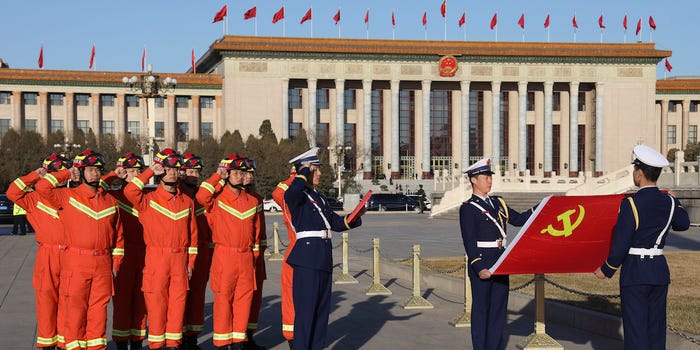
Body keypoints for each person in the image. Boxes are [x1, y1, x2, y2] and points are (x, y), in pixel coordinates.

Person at [594, 145, 690, 350]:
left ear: (639, 173)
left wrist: (607, 269)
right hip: (659, 271)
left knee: (636, 331)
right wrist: (675, 200)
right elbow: (683, 224)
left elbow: (621, 243)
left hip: (635, 273)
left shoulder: (631, 204)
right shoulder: (669, 202)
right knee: (656, 329)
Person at [36, 149, 124, 350]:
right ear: (81, 172)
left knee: (99, 312)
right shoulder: (67, 196)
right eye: (90, 169)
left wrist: (116, 264)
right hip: (76, 262)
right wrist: (67, 173)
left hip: (103, 264)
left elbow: (119, 238)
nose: (95, 173)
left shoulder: (110, 201)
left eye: (98, 170)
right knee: (75, 309)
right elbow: (42, 187)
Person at [284, 147, 365, 350]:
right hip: (307, 260)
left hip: (322, 258)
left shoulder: (318, 197)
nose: (319, 173)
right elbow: (292, 193)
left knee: (320, 315)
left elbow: (336, 224)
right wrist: (303, 171)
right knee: (305, 316)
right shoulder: (297, 194)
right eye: (316, 169)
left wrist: (355, 217)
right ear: (305, 171)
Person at [124, 148, 198, 350]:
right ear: (159, 171)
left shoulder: (187, 202)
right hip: (157, 258)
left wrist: (190, 263)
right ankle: (156, 346)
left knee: (177, 306)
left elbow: (193, 237)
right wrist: (149, 172)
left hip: (180, 260)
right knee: (156, 307)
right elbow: (129, 191)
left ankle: (174, 345)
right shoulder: (148, 200)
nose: (173, 172)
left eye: (176, 169)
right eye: (167, 168)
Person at [458, 158, 535, 350]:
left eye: (490, 177)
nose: (489, 181)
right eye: (485, 177)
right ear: (474, 180)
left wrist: (540, 208)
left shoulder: (498, 202)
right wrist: (478, 266)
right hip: (483, 263)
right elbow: (469, 240)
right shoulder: (468, 208)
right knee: (481, 311)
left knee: (499, 312)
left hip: (501, 262)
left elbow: (518, 220)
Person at [7, 152, 73, 350]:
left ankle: (65, 341)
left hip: (72, 254)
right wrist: (35, 175)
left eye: (62, 173)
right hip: (48, 255)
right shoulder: (33, 199)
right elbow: (12, 192)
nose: (59, 177)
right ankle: (47, 342)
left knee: (69, 300)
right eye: (55, 173)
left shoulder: (73, 196)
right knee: (46, 300)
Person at [196, 154, 259, 350]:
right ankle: (223, 344)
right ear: (228, 175)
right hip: (225, 255)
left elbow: (255, 233)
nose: (240, 177)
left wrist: (254, 257)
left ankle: (239, 342)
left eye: (243, 173)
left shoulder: (252, 201)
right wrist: (218, 175)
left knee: (244, 300)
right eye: (236, 173)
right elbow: (201, 196)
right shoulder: (217, 199)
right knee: (224, 300)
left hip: (246, 257)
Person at [102, 152, 149, 350]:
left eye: (139, 171)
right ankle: (121, 342)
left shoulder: (149, 197)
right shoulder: (112, 196)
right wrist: (114, 174)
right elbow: (96, 186)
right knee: (122, 301)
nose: (136, 175)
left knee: (142, 300)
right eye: (131, 171)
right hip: (123, 253)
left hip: (146, 254)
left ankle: (137, 341)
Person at [180, 152, 212, 350]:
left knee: (197, 298)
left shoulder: (201, 194)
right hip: (181, 252)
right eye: (190, 171)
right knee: (180, 298)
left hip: (201, 253)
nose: (194, 175)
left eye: (196, 172)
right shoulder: (178, 195)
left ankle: (192, 340)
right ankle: (180, 339)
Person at [240, 156, 268, 350]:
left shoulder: (256, 198)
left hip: (256, 256)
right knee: (240, 299)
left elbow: (261, 229)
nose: (248, 176)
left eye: (251, 173)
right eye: (245, 173)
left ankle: (249, 336)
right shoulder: (227, 196)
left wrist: (261, 251)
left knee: (255, 298)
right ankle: (238, 338)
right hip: (240, 256)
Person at [272, 166, 298, 350]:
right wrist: (294, 177)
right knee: (291, 298)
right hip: (296, 251)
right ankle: (292, 338)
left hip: (314, 254)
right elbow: (277, 192)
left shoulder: (314, 199)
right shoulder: (289, 200)